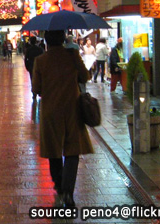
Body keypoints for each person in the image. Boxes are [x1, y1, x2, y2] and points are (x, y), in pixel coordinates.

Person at [31, 30, 93, 208]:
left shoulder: (41, 61)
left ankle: (59, 187)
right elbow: (85, 76)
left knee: (54, 151)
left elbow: (36, 88)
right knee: (72, 151)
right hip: (72, 109)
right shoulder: (72, 55)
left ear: (47, 42)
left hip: (51, 111)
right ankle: (68, 191)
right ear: (63, 40)